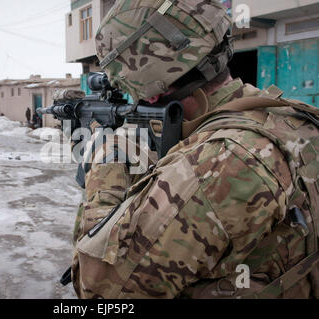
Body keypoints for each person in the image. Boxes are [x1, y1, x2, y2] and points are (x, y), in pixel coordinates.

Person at [70, 0, 318, 299]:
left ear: (154, 90)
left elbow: (97, 292)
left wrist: (105, 170)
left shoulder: (211, 165)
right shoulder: (292, 117)